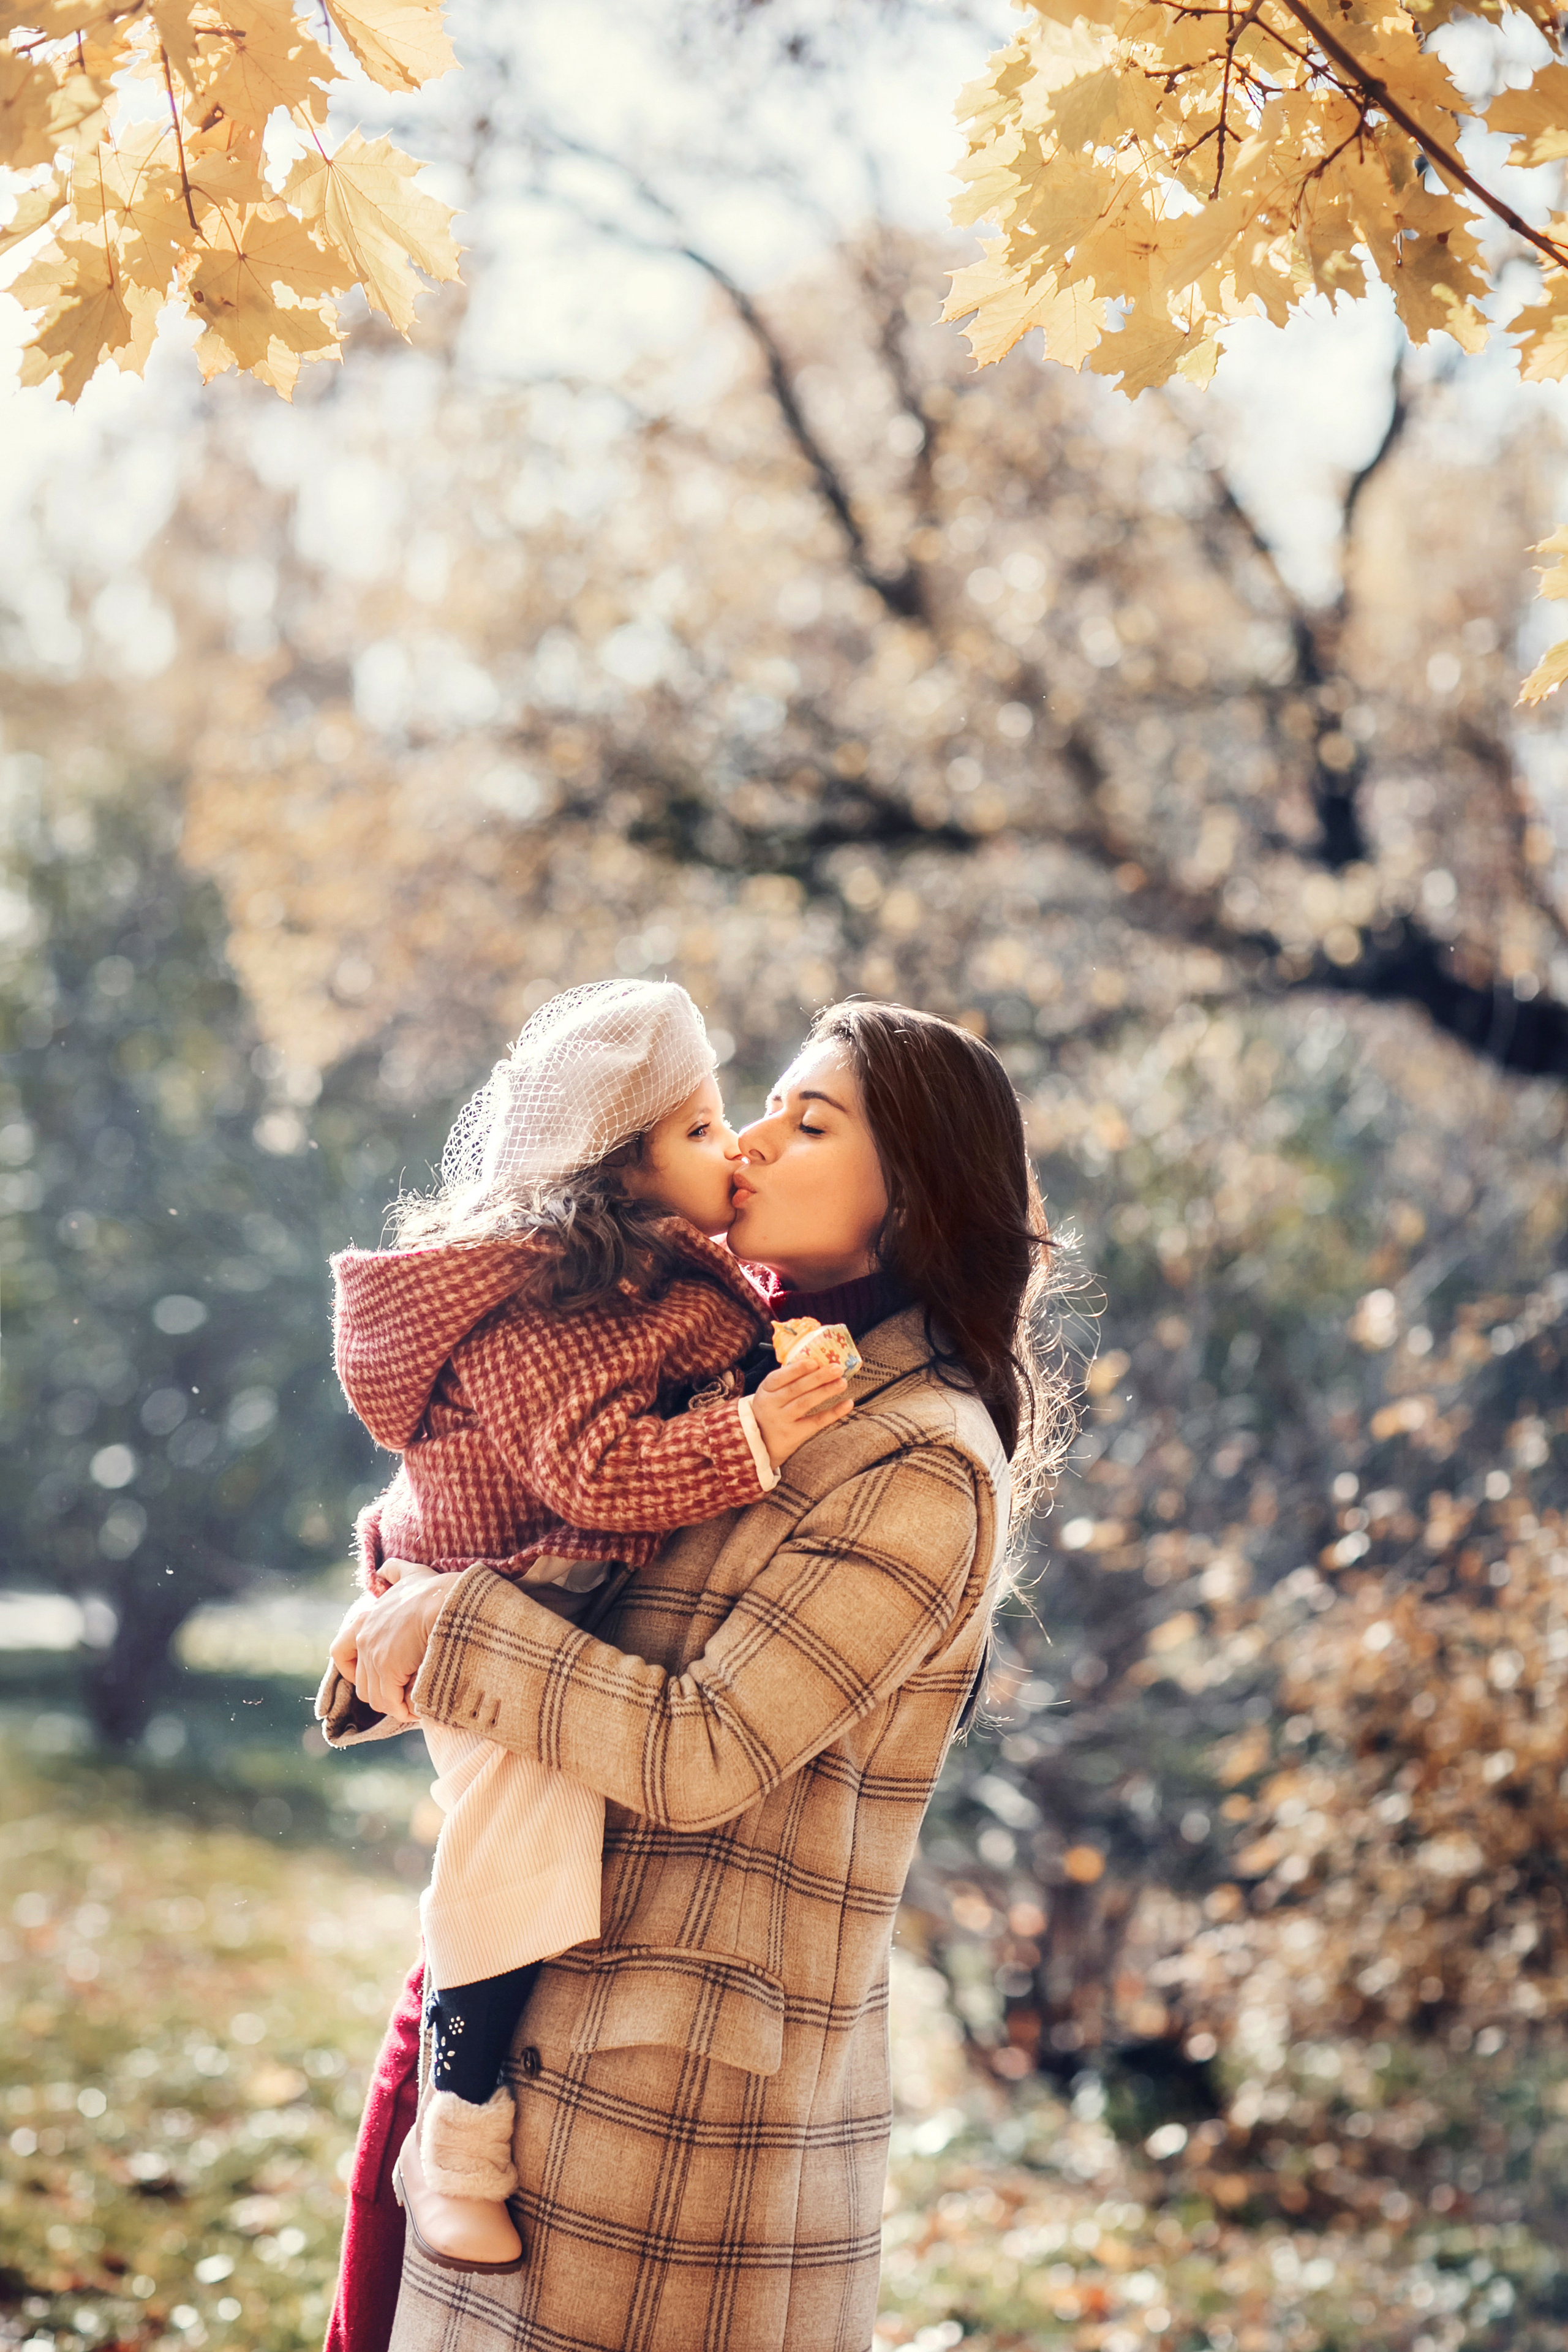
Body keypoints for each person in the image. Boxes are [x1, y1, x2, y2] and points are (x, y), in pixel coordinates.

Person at [326, 998, 1068, 2352]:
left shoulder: (920, 1463)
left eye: (809, 1119)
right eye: (758, 1106)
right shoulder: (722, 1357)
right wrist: (407, 1568)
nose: (752, 1141)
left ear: (912, 1195)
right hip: (522, 2031)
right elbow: (543, 1534)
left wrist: (448, 1628)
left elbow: (702, 1746)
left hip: (676, 2125)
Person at [319, 979, 853, 2277]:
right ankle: (458, 2133)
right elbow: (597, 1476)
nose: (731, 1150)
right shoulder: (543, 1310)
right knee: (519, 1846)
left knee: (531, 1841)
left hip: (532, 1593)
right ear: (607, 1179)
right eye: (697, 1132)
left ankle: (453, 2114)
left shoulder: (654, 1275)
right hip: (484, 1596)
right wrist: (755, 1433)